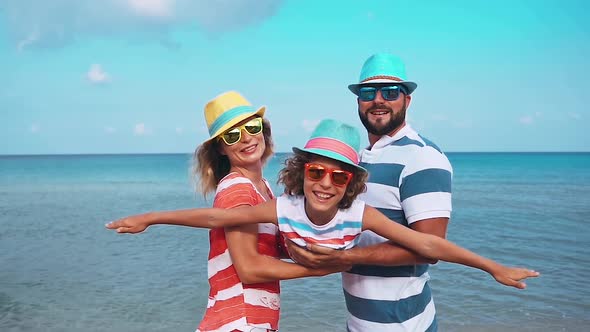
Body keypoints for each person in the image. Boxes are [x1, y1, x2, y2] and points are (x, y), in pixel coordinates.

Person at [106, 120, 539, 305]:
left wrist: (492, 267)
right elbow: (218, 219)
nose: (326, 184)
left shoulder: (361, 215)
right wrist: (151, 217)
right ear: (300, 172)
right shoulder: (285, 206)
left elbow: (425, 242)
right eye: (316, 171)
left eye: (339, 177)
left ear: (352, 183)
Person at [283, 53, 466, 331]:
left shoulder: (423, 157)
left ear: (407, 99)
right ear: (358, 101)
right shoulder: (356, 160)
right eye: (369, 92)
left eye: (391, 92)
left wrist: (347, 258)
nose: (378, 100)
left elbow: (430, 248)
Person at [164, 91, 345, 332]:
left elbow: (279, 249)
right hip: (240, 322)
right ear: (220, 148)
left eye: (252, 126)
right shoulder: (237, 188)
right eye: (233, 135)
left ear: (263, 129)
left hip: (250, 321)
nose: (246, 138)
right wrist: (319, 270)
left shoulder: (263, 189)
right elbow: (249, 269)